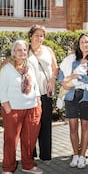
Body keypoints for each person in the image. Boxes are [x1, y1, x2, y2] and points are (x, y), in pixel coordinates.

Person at [0, 40, 43, 174]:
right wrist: (7, 107)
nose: (22, 52)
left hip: (32, 108)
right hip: (13, 109)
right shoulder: (7, 68)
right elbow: (1, 89)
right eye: (19, 50)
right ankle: (7, 168)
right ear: (13, 52)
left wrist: (38, 100)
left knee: (30, 140)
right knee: (11, 140)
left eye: (24, 50)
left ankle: (28, 165)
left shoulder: (29, 66)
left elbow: (34, 85)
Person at [58, 33, 88, 169]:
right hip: (71, 96)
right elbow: (61, 75)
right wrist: (62, 83)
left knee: (85, 126)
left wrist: (78, 76)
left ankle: (83, 156)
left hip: (87, 97)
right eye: (82, 42)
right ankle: (75, 155)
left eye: (87, 42)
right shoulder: (71, 60)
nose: (84, 44)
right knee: (72, 126)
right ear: (79, 44)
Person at [27, 24, 59, 163]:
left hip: (46, 92)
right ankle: (29, 154)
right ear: (30, 36)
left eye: (42, 35)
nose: (39, 38)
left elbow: (55, 68)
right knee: (31, 124)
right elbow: (10, 64)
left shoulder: (48, 50)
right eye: (36, 35)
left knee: (45, 124)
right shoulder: (24, 50)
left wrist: (52, 80)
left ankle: (45, 155)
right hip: (29, 94)